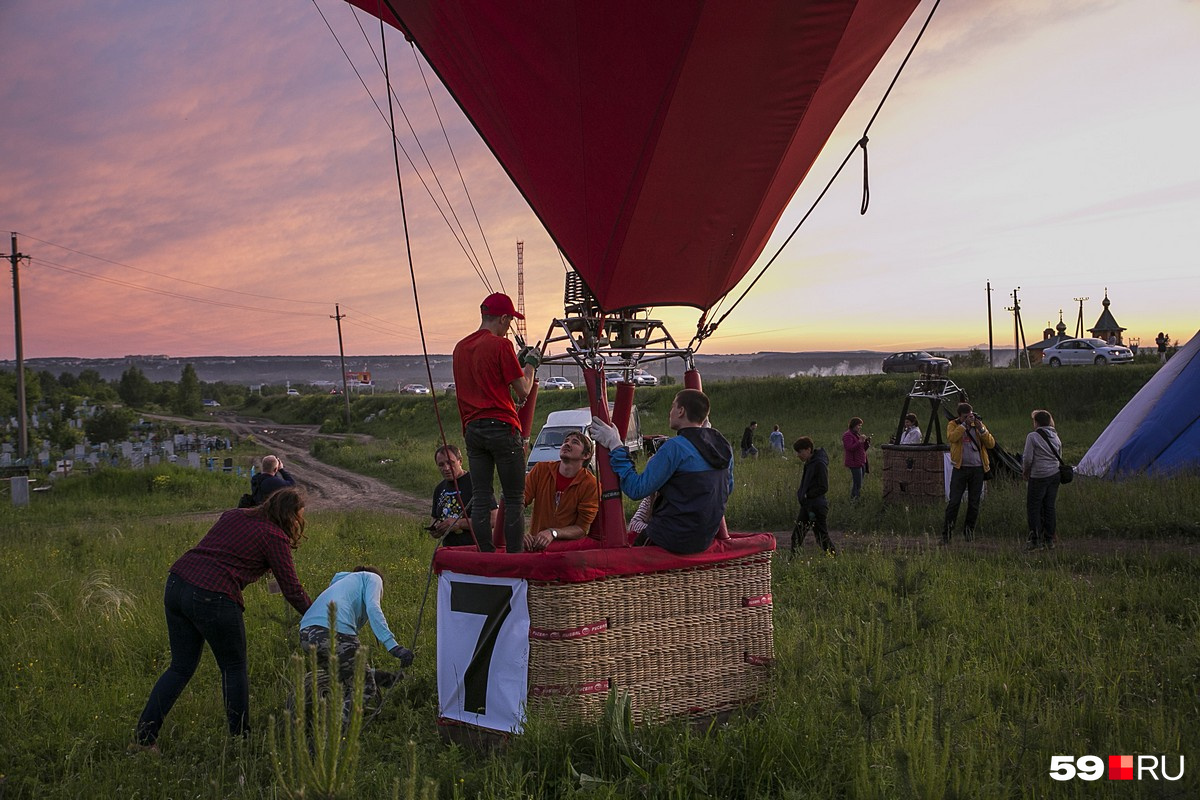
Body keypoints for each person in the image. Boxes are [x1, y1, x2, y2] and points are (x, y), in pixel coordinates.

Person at [134, 487, 312, 751]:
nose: (298, 523)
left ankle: (143, 740)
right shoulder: (274, 536)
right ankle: (241, 741)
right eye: (298, 517)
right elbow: (293, 590)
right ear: (289, 516)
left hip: (177, 583)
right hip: (213, 596)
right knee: (233, 667)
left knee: (180, 668)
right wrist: (319, 617)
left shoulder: (234, 515)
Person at [589, 389, 733, 555]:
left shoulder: (675, 447)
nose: (670, 412)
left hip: (671, 539)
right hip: (703, 539)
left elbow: (636, 489)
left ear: (681, 411)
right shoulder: (723, 447)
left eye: (673, 407)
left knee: (626, 556)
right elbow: (727, 488)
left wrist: (615, 445)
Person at [452, 293, 538, 553]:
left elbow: (488, 382)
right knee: (513, 498)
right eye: (510, 321)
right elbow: (523, 390)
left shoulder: (460, 348)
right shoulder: (501, 346)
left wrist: (516, 365)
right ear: (502, 318)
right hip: (502, 426)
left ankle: (486, 554)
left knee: (480, 496)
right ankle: (513, 557)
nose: (509, 326)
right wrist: (531, 365)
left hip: (473, 430)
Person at [298, 567, 414, 720]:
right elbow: (373, 607)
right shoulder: (372, 578)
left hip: (306, 633)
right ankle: (331, 734)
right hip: (334, 630)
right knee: (365, 688)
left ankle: (382, 678)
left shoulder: (341, 584)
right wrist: (394, 647)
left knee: (347, 676)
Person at [521, 431, 600, 551]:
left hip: (567, 552)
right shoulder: (541, 470)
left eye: (575, 442)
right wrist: (519, 533)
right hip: (536, 548)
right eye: (566, 441)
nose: (567, 444)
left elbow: (581, 528)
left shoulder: (591, 484)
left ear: (586, 455)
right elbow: (517, 503)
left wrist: (553, 533)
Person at [942, 402, 995, 544]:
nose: (969, 419)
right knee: (954, 502)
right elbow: (952, 438)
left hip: (977, 469)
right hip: (960, 469)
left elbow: (991, 444)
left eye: (970, 416)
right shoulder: (953, 424)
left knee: (974, 503)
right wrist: (964, 425)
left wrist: (981, 428)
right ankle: (946, 534)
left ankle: (969, 532)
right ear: (959, 416)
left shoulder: (977, 426)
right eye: (966, 416)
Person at [429, 444, 496, 547]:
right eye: (441, 465)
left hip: (476, 548)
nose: (446, 468)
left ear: (460, 461)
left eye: (450, 463)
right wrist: (436, 529)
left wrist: (459, 523)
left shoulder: (476, 484)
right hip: (449, 550)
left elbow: (493, 519)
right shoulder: (439, 489)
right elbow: (434, 519)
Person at [1022, 410, 1063, 551]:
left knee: (1034, 507)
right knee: (1049, 507)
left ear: (1036, 422)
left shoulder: (1032, 436)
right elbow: (1059, 454)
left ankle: (1035, 539)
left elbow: (1027, 458)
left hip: (1039, 475)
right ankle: (1049, 539)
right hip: (1054, 475)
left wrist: (1025, 471)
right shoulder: (1055, 436)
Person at [792, 436, 836, 555]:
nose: (798, 455)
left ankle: (835, 558)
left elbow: (823, 487)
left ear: (808, 449)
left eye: (800, 452)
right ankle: (792, 560)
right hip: (807, 505)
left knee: (822, 538)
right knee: (797, 535)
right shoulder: (809, 463)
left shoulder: (819, 464)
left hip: (817, 506)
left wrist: (807, 494)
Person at [842, 418, 870, 500]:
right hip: (854, 462)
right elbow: (849, 447)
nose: (860, 427)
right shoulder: (847, 435)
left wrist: (866, 443)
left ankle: (855, 499)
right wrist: (860, 441)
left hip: (861, 461)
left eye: (860, 425)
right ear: (853, 425)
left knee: (858, 483)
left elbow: (862, 449)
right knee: (858, 483)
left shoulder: (857, 434)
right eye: (859, 425)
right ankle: (854, 499)